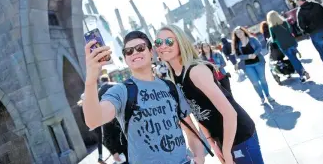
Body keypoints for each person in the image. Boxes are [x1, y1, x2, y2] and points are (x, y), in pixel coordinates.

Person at [82, 31, 206, 164]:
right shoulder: (121, 91)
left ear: (151, 52)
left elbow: (190, 129)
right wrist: (90, 79)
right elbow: (93, 120)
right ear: (125, 58)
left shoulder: (170, 87)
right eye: (128, 51)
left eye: (140, 48)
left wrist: (199, 158)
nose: (134, 53)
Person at [156, 25, 264, 164]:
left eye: (169, 41)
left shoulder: (195, 71)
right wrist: (211, 142)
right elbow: (198, 112)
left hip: (239, 135)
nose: (163, 46)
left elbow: (230, 113)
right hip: (221, 138)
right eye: (159, 42)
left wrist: (226, 150)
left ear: (181, 42)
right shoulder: (175, 76)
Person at [232, 26, 274, 104]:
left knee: (263, 80)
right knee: (255, 83)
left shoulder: (252, 39)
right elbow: (238, 55)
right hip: (247, 66)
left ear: (244, 31)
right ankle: (262, 97)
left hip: (259, 62)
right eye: (237, 33)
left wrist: (255, 54)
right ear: (236, 35)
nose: (239, 34)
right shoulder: (237, 44)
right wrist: (248, 56)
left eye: (240, 32)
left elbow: (259, 47)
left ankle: (268, 96)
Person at [267, 10, 310, 82]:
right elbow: (290, 31)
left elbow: (273, 39)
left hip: (284, 46)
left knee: (293, 60)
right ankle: (303, 72)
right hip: (292, 43)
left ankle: (302, 74)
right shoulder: (284, 23)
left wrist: (279, 39)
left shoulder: (272, 28)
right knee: (295, 59)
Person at [97, 75, 128, 164]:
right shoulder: (118, 85)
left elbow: (106, 137)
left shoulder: (99, 92)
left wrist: (113, 152)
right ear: (109, 79)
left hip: (110, 120)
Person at [78, 95, 106, 164]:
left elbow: (83, 119)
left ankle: (101, 157)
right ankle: (101, 157)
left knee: (101, 139)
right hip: (97, 122)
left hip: (93, 124)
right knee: (102, 138)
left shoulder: (82, 107)